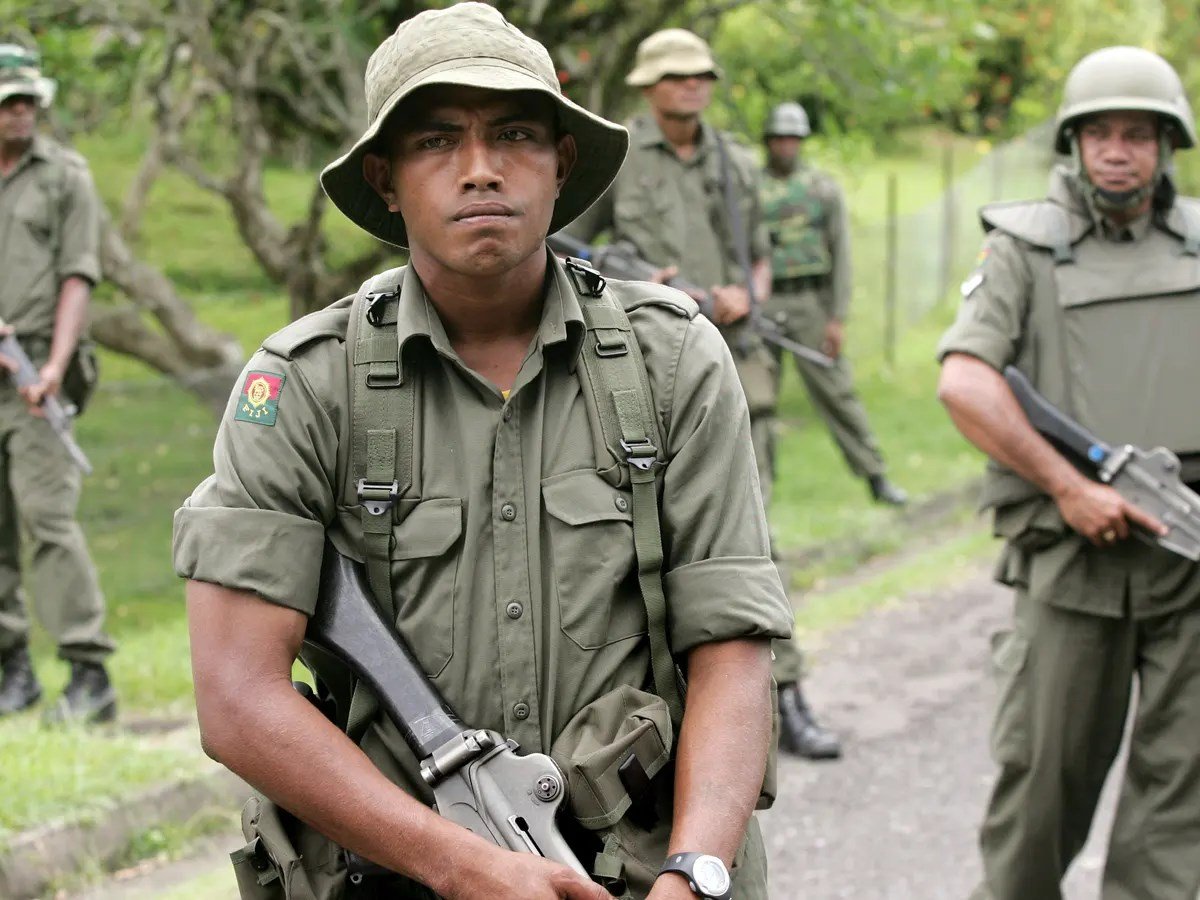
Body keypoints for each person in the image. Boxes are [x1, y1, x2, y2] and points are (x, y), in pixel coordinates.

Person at [173, 5, 793, 899]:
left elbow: (731, 641)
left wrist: (694, 872)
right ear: (385, 180)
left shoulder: (671, 360)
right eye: (436, 141)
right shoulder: (305, 386)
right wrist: (463, 866)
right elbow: (236, 697)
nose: (480, 169)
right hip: (399, 874)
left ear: (560, 161)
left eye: (513, 134)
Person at [937, 46, 1200, 899]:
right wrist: (1069, 486)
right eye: (1101, 134)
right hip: (1074, 567)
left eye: (1138, 134)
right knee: (1041, 799)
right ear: (1075, 144)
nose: (1118, 151)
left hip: (1188, 571)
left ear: (1166, 145)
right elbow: (966, 381)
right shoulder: (1024, 249)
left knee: (1180, 809)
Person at [569, 29, 840, 761]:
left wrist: (743, 294)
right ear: (649, 86)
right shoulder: (615, 159)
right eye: (675, 76)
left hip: (732, 365)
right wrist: (638, 284)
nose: (690, 86)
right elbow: (566, 247)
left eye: (700, 76)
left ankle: (784, 696)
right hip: (631, 374)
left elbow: (761, 257)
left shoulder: (737, 163)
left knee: (747, 543)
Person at [0, 44, 113, 724]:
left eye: (28, 102)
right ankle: (11, 668)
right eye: (8, 102)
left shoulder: (65, 177)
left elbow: (79, 276)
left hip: (36, 372)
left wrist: (50, 368)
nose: (21, 114)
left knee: (48, 519)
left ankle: (88, 672)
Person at [760, 102, 906, 507]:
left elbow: (841, 254)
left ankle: (875, 476)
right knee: (755, 404)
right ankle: (756, 500)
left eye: (793, 138)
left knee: (838, 392)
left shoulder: (822, 188)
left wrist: (836, 316)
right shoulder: (748, 187)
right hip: (764, 305)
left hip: (810, 302)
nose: (786, 145)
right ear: (768, 141)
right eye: (779, 138)